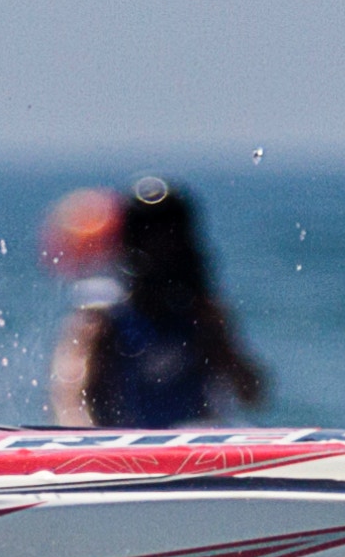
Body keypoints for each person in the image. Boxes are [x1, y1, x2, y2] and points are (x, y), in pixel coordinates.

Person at [44, 176, 272, 429]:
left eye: (170, 240)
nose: (162, 252)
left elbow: (252, 394)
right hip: (125, 447)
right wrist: (87, 441)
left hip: (194, 444)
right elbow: (69, 397)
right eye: (151, 239)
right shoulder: (101, 318)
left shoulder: (201, 315)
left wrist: (219, 339)